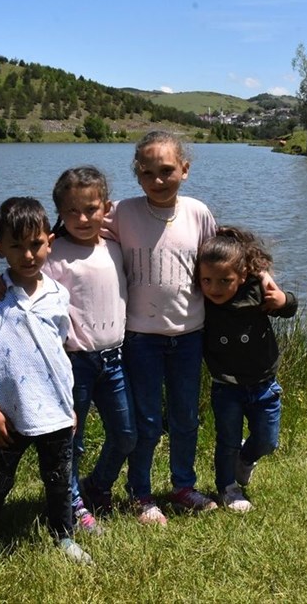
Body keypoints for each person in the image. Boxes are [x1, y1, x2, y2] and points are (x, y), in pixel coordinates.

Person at [0, 167, 136, 536]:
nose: (83, 218)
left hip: (115, 359)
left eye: (91, 209)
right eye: (72, 211)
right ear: (60, 215)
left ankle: (98, 485)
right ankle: (74, 503)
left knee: (126, 434)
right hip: (75, 361)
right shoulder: (52, 253)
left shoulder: (115, 245)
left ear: (106, 208)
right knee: (71, 443)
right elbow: (19, 264)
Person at [103, 130, 218, 526]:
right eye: (147, 172)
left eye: (167, 170)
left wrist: (264, 281)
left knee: (186, 418)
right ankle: (141, 493)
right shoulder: (122, 212)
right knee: (147, 421)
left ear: (184, 170)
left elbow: (220, 260)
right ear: (137, 175)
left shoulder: (198, 213)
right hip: (141, 339)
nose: (157, 180)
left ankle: (183, 486)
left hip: (189, 336)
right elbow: (75, 228)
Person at [0, 196, 91, 565]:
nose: (27, 255)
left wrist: (70, 407)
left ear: (49, 242)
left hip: (55, 409)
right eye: (16, 246)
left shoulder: (58, 295)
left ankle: (63, 536)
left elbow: (60, 354)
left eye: (35, 244)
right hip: (9, 411)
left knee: (58, 480)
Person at [196, 226, 298, 512]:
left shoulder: (255, 290)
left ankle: (246, 457)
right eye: (207, 280)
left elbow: (288, 308)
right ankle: (227, 488)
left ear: (242, 276)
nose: (214, 288)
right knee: (226, 440)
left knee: (268, 441)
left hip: (264, 383)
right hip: (226, 386)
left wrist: (283, 300)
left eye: (225, 281)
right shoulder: (201, 300)